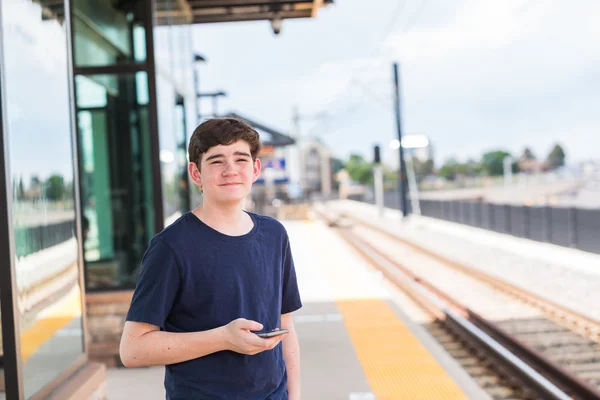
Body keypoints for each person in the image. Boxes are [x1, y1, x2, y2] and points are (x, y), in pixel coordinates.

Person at [119, 117, 302, 399]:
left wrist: (295, 395)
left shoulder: (274, 235)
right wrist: (223, 338)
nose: (230, 170)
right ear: (196, 174)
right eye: (216, 161)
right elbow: (132, 350)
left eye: (240, 159)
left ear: (255, 169)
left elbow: (285, 327)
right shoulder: (170, 247)